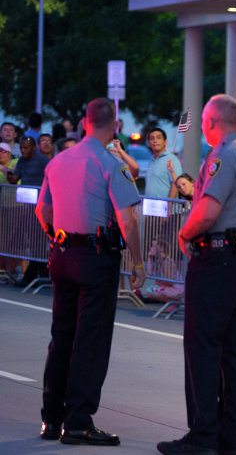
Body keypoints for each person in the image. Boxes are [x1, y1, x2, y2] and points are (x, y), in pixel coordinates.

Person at [158, 94, 236, 455]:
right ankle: (232, 438)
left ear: (212, 122)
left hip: (219, 256)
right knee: (233, 350)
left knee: (203, 347)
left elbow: (207, 210)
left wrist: (185, 233)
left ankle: (203, 435)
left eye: (205, 122)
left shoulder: (222, 155)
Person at [35, 98, 146, 446]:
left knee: (62, 336)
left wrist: (58, 239)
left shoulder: (58, 161)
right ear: (114, 127)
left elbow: (43, 211)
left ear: (84, 123)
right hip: (96, 258)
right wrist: (138, 262)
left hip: (63, 254)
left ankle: (51, 418)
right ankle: (79, 420)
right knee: (90, 339)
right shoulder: (110, 163)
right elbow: (127, 219)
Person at [145, 127, 182, 198]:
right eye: (152, 138)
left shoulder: (172, 159)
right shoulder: (151, 161)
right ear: (149, 144)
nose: (155, 141)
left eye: (158, 138)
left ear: (165, 142)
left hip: (165, 206)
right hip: (149, 205)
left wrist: (169, 206)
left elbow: (176, 184)